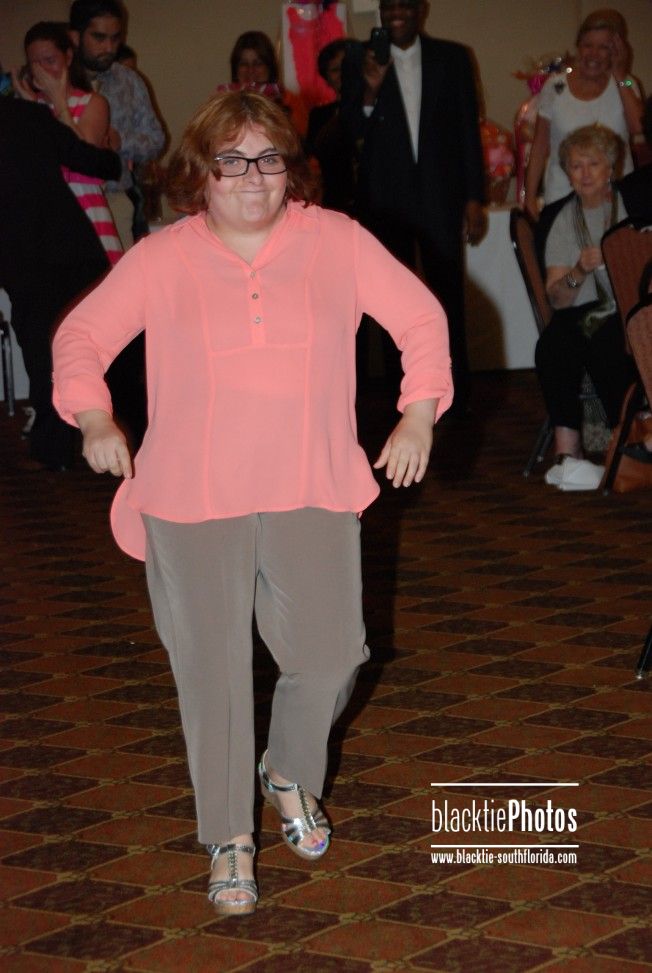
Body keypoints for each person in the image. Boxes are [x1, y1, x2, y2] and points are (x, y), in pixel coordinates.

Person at [51, 90, 452, 915]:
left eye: (267, 158)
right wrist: (94, 416)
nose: (251, 176)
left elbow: (420, 318)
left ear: (289, 169)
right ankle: (228, 835)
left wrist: (418, 412)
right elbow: (80, 337)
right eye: (230, 161)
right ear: (200, 173)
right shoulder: (164, 256)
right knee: (213, 672)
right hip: (192, 492)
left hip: (310, 477)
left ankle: (288, 769)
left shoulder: (335, 240)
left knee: (335, 652)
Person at [339, 0, 485, 416]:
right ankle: (399, 395)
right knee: (392, 301)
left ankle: (455, 392)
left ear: (421, 9)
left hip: (442, 197)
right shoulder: (359, 58)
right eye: (388, 6)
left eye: (404, 5)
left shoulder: (453, 57)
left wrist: (474, 197)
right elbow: (350, 129)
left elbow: (467, 129)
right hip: (386, 201)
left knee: (447, 295)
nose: (396, 13)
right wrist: (370, 88)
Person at [0, 96, 120, 470]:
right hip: (71, 247)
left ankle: (57, 450)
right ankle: (101, 440)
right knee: (89, 344)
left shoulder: (25, 114)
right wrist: (112, 153)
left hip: (26, 255)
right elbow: (99, 163)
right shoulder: (26, 113)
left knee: (44, 352)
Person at [536, 125, 633, 491]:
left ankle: (625, 441)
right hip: (583, 311)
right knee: (552, 344)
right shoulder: (564, 219)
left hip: (629, 308)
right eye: (576, 166)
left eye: (594, 164)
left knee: (607, 340)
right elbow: (558, 299)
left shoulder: (630, 206)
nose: (586, 173)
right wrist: (579, 270)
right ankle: (567, 447)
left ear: (610, 168)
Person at [14, 21, 122, 265]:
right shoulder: (30, 108)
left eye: (50, 60)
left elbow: (85, 156)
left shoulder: (92, 102)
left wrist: (59, 103)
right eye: (35, 63)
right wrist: (31, 110)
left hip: (88, 213)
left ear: (68, 57)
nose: (43, 70)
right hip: (47, 221)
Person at [524, 8, 642, 219]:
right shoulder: (555, 86)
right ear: (578, 47)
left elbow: (638, 127)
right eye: (588, 45)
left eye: (603, 47)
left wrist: (620, 75)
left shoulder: (626, 83)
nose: (593, 54)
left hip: (616, 201)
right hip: (563, 199)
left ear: (616, 50)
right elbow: (539, 146)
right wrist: (530, 195)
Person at [69, 0, 165, 250]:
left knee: (120, 274)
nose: (109, 47)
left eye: (115, 38)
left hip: (115, 201)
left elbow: (156, 140)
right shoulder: (58, 79)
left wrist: (122, 141)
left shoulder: (129, 81)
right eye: (99, 37)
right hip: (66, 203)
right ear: (75, 36)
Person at [305, 39, 355, 212]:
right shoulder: (319, 116)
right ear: (326, 78)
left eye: (347, 65)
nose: (343, 73)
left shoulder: (378, 110)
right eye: (335, 70)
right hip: (334, 204)